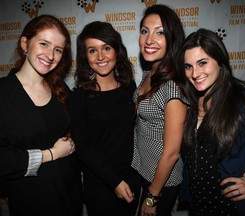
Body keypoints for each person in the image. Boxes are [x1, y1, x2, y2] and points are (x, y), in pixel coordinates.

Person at [177, 28, 245, 215]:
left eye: (202, 63)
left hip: (235, 209)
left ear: (220, 61)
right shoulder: (190, 103)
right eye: (188, 66)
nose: (195, 73)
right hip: (201, 208)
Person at [0, 15, 83, 216]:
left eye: (58, 50)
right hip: (32, 198)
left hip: (69, 193)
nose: (50, 55)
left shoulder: (59, 87)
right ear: (25, 43)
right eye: (44, 44)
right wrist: (52, 154)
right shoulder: (3, 92)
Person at [68, 21, 140, 216]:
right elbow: (83, 148)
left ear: (117, 50)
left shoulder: (130, 88)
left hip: (132, 181)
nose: (100, 57)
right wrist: (114, 182)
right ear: (85, 56)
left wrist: (131, 179)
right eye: (92, 50)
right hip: (100, 186)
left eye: (106, 48)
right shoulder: (78, 97)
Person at [131, 4, 188, 216]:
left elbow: (172, 153)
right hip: (144, 169)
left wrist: (152, 196)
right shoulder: (151, 71)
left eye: (160, 33)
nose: (148, 40)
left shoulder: (172, 87)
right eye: (145, 31)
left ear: (172, 38)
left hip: (161, 181)